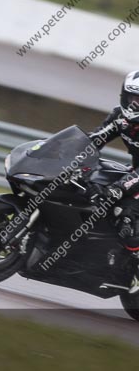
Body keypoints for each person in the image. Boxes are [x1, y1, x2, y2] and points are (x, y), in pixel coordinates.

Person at [88, 70, 139, 293]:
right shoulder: (120, 117)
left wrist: (118, 188)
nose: (134, 103)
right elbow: (93, 141)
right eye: (132, 97)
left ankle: (127, 272)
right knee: (99, 185)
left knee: (125, 212)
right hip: (136, 171)